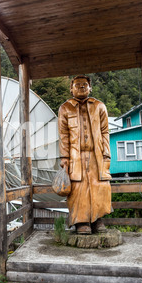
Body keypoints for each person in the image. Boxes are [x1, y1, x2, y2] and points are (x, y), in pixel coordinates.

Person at [58, 75, 112, 234]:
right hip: (75, 157)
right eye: (77, 84)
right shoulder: (65, 108)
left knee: (100, 186)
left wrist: (106, 154)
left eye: (84, 84)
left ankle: (98, 219)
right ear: (71, 88)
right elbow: (63, 135)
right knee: (78, 188)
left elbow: (105, 132)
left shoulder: (99, 106)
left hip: (97, 155)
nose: (81, 87)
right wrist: (64, 158)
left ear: (90, 87)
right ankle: (81, 222)